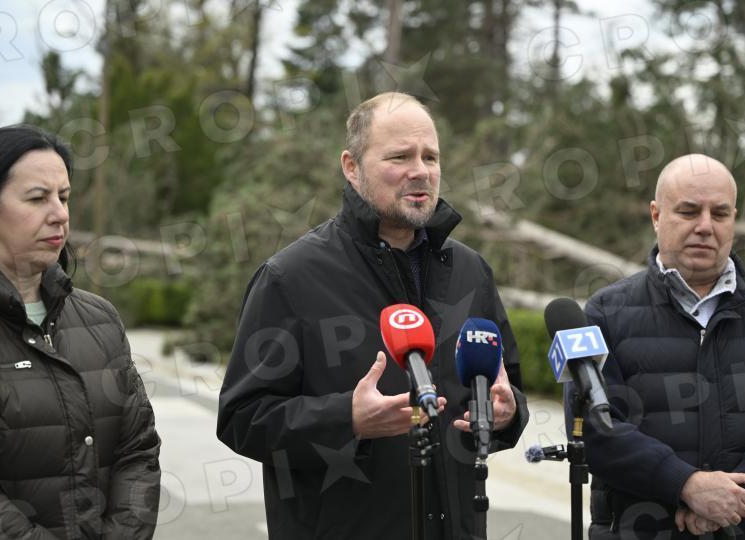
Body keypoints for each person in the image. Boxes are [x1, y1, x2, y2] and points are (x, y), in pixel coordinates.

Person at [217, 92, 530, 539]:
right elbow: (242, 418)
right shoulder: (290, 278)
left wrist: (506, 413)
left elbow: (507, 389)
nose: (420, 171)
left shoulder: (471, 271)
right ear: (351, 166)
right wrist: (346, 419)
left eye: (430, 157)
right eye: (400, 156)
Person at [572, 154, 745, 539]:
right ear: (656, 215)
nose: (705, 226)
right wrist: (685, 485)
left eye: (720, 213)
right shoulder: (605, 313)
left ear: (734, 218)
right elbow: (594, 429)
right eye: (689, 211)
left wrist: (731, 499)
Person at [0, 125, 161, 539]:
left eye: (63, 197)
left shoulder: (99, 318)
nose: (60, 214)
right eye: (37, 198)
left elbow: (137, 449)